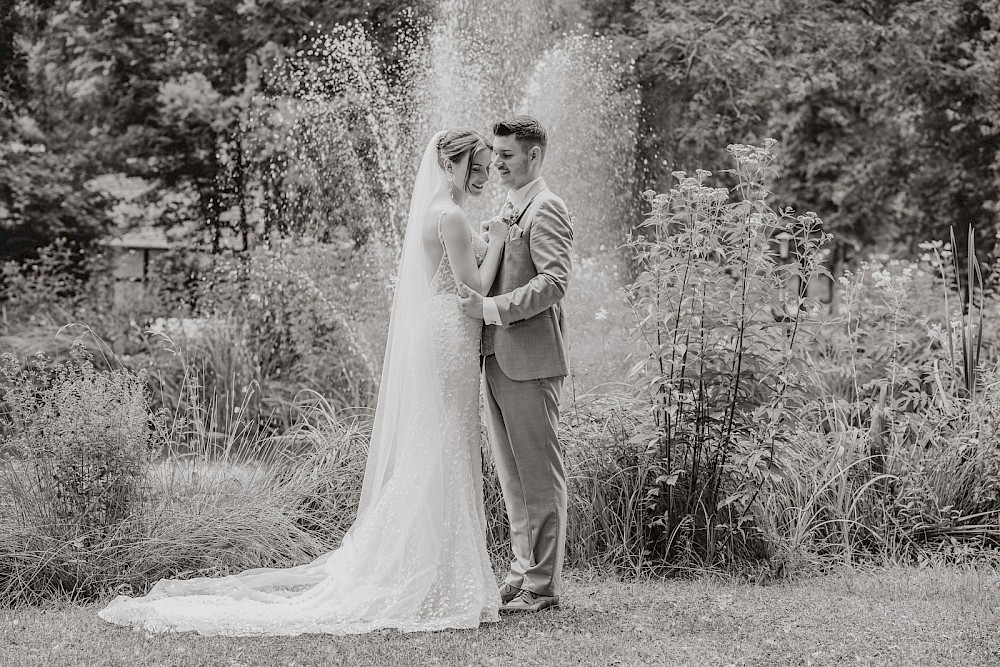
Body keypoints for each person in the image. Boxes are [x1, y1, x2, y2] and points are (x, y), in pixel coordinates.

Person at [98, 129, 508, 636]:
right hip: (451, 334)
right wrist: (502, 239)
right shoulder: (449, 216)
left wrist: (487, 236)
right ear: (454, 163)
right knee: (447, 446)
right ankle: (441, 576)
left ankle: (441, 571)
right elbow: (475, 286)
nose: (486, 175)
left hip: (445, 332)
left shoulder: (439, 213)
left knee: (443, 446)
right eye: (480, 166)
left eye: (489, 166)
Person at [458, 115, 574, 614]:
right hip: (497, 357)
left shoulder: (546, 208)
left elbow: (553, 282)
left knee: (539, 476)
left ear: (535, 156)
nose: (498, 163)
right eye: (496, 154)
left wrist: (490, 310)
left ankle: (543, 585)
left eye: (507, 155)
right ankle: (521, 572)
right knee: (512, 477)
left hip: (529, 359)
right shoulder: (510, 207)